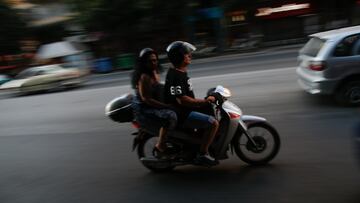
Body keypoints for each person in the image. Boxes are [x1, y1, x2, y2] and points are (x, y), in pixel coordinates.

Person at [164, 41, 219, 166]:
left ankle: (199, 144)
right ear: (179, 57)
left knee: (209, 109)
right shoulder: (176, 75)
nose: (190, 55)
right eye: (186, 54)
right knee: (213, 123)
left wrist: (204, 102)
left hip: (185, 110)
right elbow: (182, 100)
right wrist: (203, 102)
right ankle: (202, 154)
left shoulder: (179, 71)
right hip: (182, 114)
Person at [131, 48, 177, 157]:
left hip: (154, 104)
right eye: (150, 61)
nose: (153, 63)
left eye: (155, 60)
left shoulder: (154, 72)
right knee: (171, 116)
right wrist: (166, 106)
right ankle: (161, 145)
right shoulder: (144, 77)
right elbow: (147, 99)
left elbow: (158, 89)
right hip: (145, 110)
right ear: (143, 63)